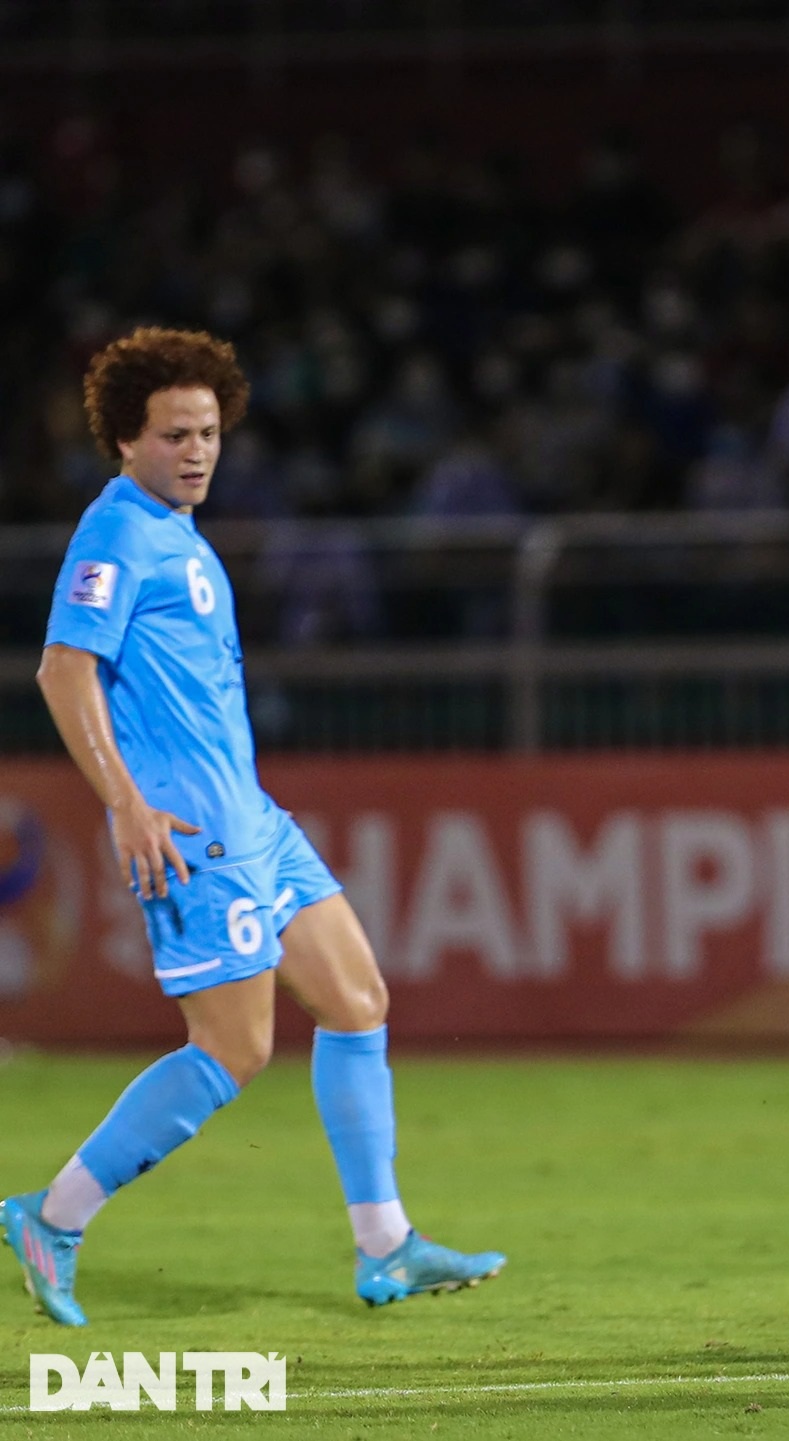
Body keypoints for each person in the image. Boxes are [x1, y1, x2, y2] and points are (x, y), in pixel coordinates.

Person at [4, 328, 504, 1327]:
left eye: (209, 432)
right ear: (123, 440)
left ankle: (385, 1245)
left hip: (255, 820)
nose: (196, 450)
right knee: (232, 1050)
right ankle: (51, 1217)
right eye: (173, 434)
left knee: (358, 997)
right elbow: (63, 669)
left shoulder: (178, 534)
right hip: (195, 836)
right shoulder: (116, 535)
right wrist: (125, 801)